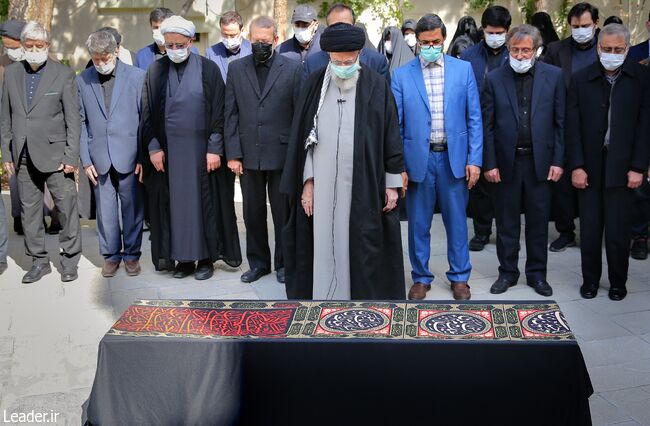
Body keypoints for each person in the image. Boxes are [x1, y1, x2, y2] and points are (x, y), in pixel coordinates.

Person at [281, 22, 405, 300]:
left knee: (361, 245)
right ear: (328, 57)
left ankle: (357, 305)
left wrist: (392, 183)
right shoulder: (314, 85)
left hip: (362, 185)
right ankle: (323, 301)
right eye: (337, 61)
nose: (343, 66)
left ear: (360, 53)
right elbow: (304, 139)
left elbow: (390, 135)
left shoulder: (375, 85)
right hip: (322, 187)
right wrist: (308, 183)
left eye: (349, 61)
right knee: (321, 245)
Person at [140, 15, 242, 279]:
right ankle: (183, 260)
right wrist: (153, 148)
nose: (174, 50)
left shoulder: (208, 69)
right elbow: (147, 113)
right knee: (174, 208)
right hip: (169, 156)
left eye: (179, 44)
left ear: (190, 41)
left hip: (202, 154)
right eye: (169, 45)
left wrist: (214, 148)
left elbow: (220, 110)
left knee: (204, 206)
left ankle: (206, 259)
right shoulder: (156, 71)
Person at [392, 14, 483, 301]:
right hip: (419, 160)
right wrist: (400, 167)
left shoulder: (463, 70)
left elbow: (474, 119)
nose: (430, 47)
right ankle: (421, 277)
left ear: (444, 40)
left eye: (435, 42)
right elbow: (396, 125)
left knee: (457, 222)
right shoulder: (402, 75)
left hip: (453, 159)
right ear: (417, 43)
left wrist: (475, 160)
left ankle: (459, 277)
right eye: (424, 42)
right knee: (419, 224)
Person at [566, 23, 650, 301]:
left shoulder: (641, 77)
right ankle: (590, 280)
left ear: (627, 49)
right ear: (598, 48)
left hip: (623, 165)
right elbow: (572, 126)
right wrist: (576, 165)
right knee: (589, 230)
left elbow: (645, 127)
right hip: (589, 165)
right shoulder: (580, 78)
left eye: (618, 50)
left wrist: (638, 167)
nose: (612, 54)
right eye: (607, 49)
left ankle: (617, 282)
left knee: (618, 229)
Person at [482, 24, 565, 297]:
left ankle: (537, 275)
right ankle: (507, 273)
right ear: (508, 49)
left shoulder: (554, 76)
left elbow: (560, 123)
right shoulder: (494, 78)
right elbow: (488, 125)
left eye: (525, 50)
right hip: (506, 163)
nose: (519, 55)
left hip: (540, 162)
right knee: (506, 223)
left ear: (536, 50)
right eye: (514, 50)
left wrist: (558, 161)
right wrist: (490, 163)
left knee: (539, 222)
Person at [1, 21, 82, 284]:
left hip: (56, 156)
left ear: (48, 45)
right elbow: (6, 116)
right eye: (30, 45)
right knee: (29, 211)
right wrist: (7, 154)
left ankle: (69, 260)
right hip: (22, 154)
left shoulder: (63, 74)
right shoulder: (11, 74)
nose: (34, 50)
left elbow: (73, 119)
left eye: (40, 45)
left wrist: (71, 157)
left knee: (67, 207)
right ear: (23, 46)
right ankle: (39, 261)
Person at [225, 17, 301, 284]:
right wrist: (233, 154)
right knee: (252, 213)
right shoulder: (236, 69)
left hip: (281, 155)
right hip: (248, 154)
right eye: (256, 41)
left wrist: (296, 156)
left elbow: (298, 116)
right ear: (249, 38)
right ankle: (258, 264)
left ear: (276, 40)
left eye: (265, 42)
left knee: (283, 214)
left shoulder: (292, 69)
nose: (260, 45)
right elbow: (230, 114)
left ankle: (283, 263)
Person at [77, 30, 145, 278]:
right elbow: (80, 123)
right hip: (99, 158)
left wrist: (142, 158)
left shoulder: (137, 77)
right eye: (96, 59)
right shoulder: (82, 80)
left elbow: (144, 121)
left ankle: (132, 255)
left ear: (116, 51)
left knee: (132, 208)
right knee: (106, 212)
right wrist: (85, 160)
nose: (101, 63)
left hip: (129, 154)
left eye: (105, 58)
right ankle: (111, 256)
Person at [544, 2, 600, 253]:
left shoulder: (607, 47)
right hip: (565, 124)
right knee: (563, 184)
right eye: (576, 26)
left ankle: (594, 232)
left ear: (595, 24)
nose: (581, 30)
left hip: (599, 126)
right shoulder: (556, 50)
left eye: (586, 26)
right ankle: (566, 231)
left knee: (596, 182)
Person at [0, 19, 60, 236]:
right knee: (19, 180)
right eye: (7, 47)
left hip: (46, 133)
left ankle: (54, 217)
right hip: (17, 131)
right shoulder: (4, 65)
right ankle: (21, 218)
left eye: (13, 47)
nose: (11, 51)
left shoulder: (49, 62)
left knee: (49, 178)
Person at [460, 5, 511, 252]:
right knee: (478, 184)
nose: (495, 36)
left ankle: (505, 230)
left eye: (499, 32)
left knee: (503, 182)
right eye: (490, 31)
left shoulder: (516, 54)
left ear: (507, 31)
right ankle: (481, 231)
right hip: (476, 127)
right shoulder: (470, 56)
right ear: (483, 30)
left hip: (505, 128)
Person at [301, 4, 389, 82]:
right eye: (335, 27)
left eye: (345, 26)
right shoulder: (312, 64)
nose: (341, 31)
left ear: (354, 26)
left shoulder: (377, 62)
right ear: (327, 29)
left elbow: (383, 98)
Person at [206, 11, 252, 82]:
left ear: (242, 30)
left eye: (232, 35)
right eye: (225, 35)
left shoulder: (252, 50)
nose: (228, 39)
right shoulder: (211, 53)